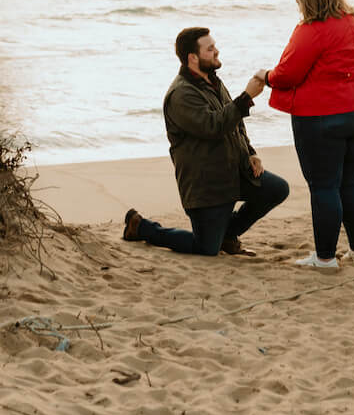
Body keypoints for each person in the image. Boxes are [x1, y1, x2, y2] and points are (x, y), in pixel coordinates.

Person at [121, 27, 290, 257]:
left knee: (277, 189)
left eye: (214, 47)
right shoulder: (181, 94)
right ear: (193, 57)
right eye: (210, 49)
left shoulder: (213, 81)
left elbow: (235, 123)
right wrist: (247, 97)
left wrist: (251, 152)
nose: (216, 51)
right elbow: (213, 126)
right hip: (207, 185)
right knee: (206, 248)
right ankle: (140, 226)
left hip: (233, 171)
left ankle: (228, 235)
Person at [262, 0, 354, 270]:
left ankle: (325, 257)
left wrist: (266, 77)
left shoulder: (311, 30)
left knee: (324, 186)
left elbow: (288, 73)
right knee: (351, 182)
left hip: (323, 117)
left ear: (306, 1)